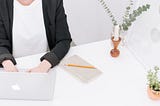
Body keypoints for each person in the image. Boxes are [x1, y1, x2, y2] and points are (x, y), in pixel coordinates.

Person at [0, 0, 72, 73]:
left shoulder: (53, 2)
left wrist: (45, 65)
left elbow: (64, 40)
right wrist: (6, 62)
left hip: (45, 67)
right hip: (12, 67)